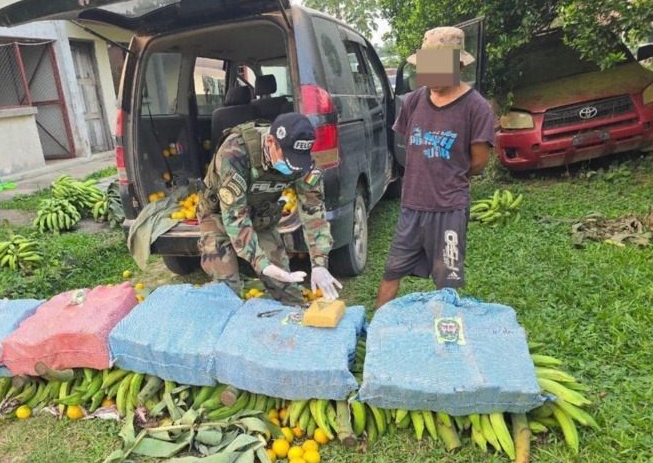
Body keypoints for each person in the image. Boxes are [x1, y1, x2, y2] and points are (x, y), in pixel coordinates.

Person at [376, 26, 495, 310]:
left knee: (446, 279)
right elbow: (410, 145)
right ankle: (377, 327)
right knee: (393, 269)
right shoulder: (415, 100)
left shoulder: (476, 108)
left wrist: (445, 177)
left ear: (457, 66)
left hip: (449, 208)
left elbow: (478, 162)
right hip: (412, 205)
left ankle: (447, 333)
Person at [199, 112, 342, 304]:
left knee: (287, 290)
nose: (292, 168)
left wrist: (319, 263)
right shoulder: (235, 152)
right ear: (271, 142)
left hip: (260, 216)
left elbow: (314, 212)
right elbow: (234, 217)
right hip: (219, 217)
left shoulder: (302, 161)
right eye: (287, 159)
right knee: (226, 290)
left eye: (297, 161)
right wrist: (261, 263)